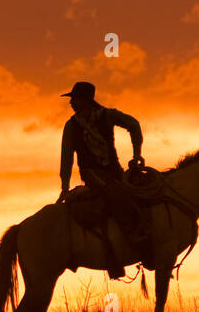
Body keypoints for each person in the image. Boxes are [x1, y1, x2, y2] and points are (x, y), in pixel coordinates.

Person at [58, 81, 147, 274]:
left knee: (143, 191)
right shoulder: (72, 126)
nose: (71, 102)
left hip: (115, 172)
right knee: (117, 196)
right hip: (93, 176)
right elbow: (66, 158)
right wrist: (65, 185)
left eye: (74, 98)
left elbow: (133, 125)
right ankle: (134, 239)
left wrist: (137, 154)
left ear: (85, 100)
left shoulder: (107, 115)